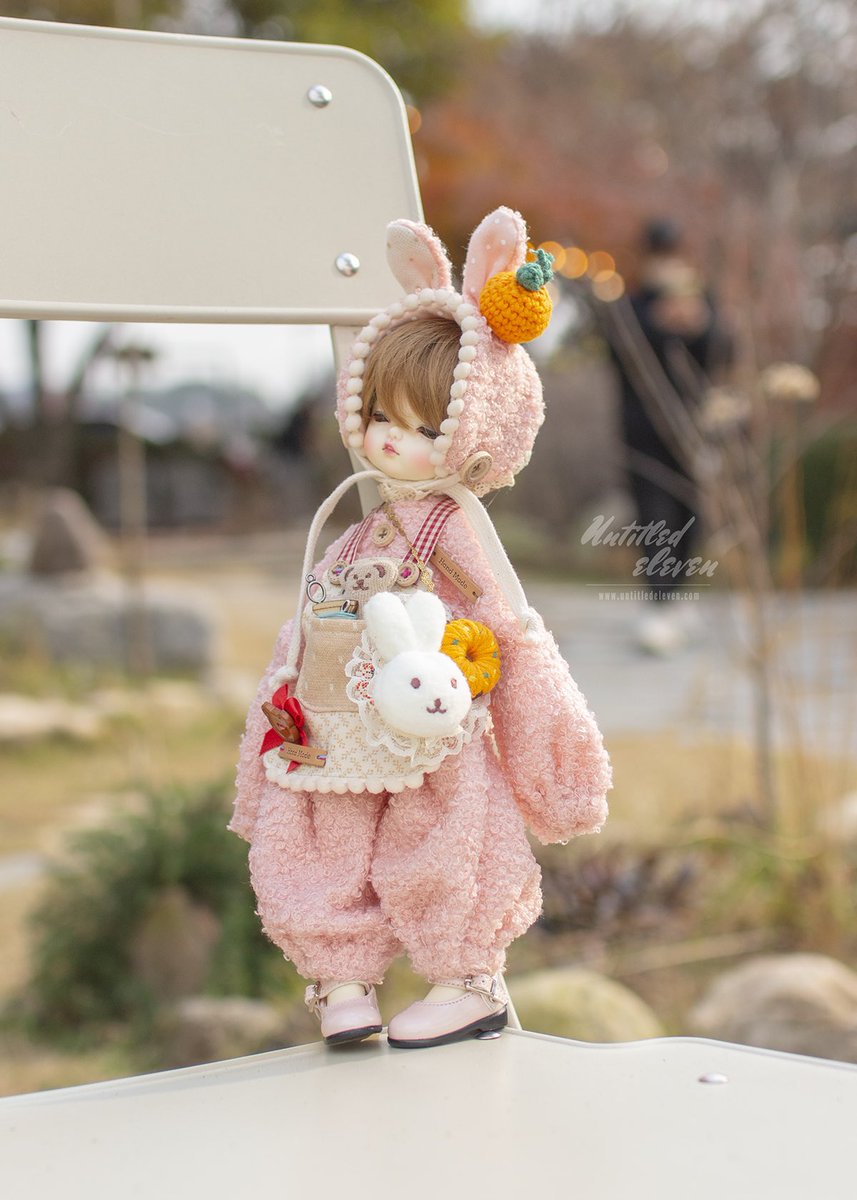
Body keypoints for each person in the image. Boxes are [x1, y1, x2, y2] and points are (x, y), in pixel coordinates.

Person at [230, 208, 611, 1049]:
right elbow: (312, 621)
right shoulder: (358, 529)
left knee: (448, 838)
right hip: (338, 726)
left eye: (425, 427)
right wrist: (281, 702)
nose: (393, 442)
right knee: (318, 835)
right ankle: (340, 978)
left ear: (477, 431)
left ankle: (467, 977)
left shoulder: (456, 533)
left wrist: (552, 749)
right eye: (380, 418)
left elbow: (510, 633)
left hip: (435, 727)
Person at [610, 219, 730, 653]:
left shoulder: (701, 300)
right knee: (655, 517)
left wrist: (698, 325)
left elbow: (723, 353)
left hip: (696, 429)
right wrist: (660, 324)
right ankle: (659, 604)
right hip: (644, 433)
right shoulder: (631, 306)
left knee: (691, 515)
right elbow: (621, 353)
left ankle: (676, 596)